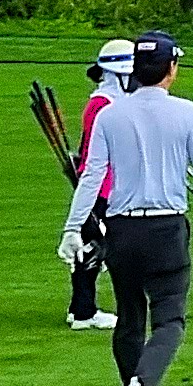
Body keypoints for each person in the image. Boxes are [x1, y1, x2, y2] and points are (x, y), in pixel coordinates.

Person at [60, 32, 193, 386]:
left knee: (129, 317)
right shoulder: (188, 112)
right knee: (170, 318)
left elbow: (91, 176)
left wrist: (72, 227)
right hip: (166, 227)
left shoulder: (110, 115)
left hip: (121, 229)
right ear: (171, 69)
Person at [62, 41, 137, 330]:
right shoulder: (102, 104)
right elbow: (96, 156)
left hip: (110, 186)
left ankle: (80, 309)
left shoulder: (113, 102)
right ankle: (83, 313)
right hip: (101, 188)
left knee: (94, 246)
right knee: (93, 247)